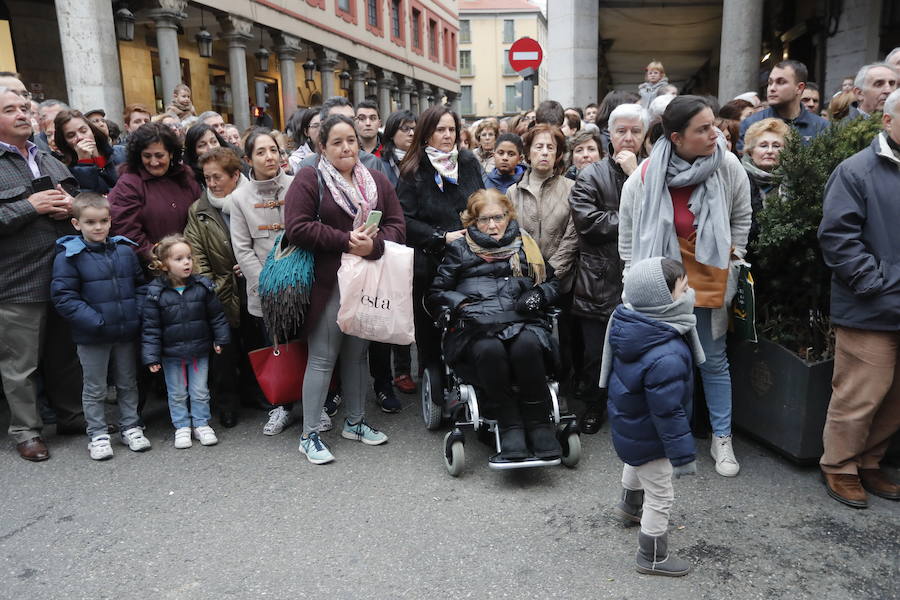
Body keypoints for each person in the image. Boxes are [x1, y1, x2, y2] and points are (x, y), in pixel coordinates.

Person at [619, 95, 752, 477]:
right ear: (676, 137)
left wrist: (733, 257)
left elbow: (741, 216)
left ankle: (721, 437)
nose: (716, 133)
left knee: (713, 359)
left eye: (715, 124)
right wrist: (632, 278)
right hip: (661, 285)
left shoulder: (727, 166)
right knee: (662, 364)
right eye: (704, 128)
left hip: (711, 278)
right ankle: (665, 439)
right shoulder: (645, 175)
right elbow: (627, 235)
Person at [284, 113, 406, 465]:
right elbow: (297, 227)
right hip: (327, 283)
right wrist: (346, 241)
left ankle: (355, 422)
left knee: (356, 355)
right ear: (322, 147)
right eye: (336, 142)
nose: (346, 147)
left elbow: (398, 224)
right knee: (323, 358)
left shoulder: (376, 180)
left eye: (350, 140)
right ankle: (309, 435)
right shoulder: (310, 178)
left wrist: (375, 245)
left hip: (366, 279)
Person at [428, 189, 562, 460]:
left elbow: (552, 282)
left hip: (522, 320)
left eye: (498, 218)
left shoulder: (526, 245)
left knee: (526, 346)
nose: (492, 226)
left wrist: (538, 295)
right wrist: (462, 305)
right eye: (484, 220)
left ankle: (538, 423)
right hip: (476, 325)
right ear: (472, 222)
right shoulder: (459, 249)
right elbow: (436, 293)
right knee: (490, 350)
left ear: (508, 216)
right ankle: (509, 423)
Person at [817, 88, 900, 509]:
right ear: (887, 121)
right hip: (872, 306)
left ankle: (870, 461)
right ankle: (840, 465)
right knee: (860, 393)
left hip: (884, 299)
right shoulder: (856, 171)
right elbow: (837, 239)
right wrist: (878, 286)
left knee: (894, 397)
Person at [0, 87, 86, 461]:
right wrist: (29, 207)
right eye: (9, 110)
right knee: (21, 365)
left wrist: (72, 206)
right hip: (18, 281)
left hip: (63, 275)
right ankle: (26, 431)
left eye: (24, 108)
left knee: (64, 355)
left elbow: (83, 205)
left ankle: (72, 416)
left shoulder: (48, 157)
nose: (22, 114)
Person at [601, 257, 700, 577]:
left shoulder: (631, 322)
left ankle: (629, 507)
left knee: (636, 458)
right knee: (660, 493)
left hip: (631, 420)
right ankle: (652, 556)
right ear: (661, 300)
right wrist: (683, 457)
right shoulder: (666, 352)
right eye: (682, 289)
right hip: (651, 428)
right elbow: (668, 411)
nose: (689, 293)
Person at [50, 193, 150, 460]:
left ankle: (131, 425)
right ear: (76, 224)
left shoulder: (125, 251)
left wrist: (135, 312)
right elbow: (64, 297)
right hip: (92, 335)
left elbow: (140, 286)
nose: (98, 227)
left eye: (104, 221)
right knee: (94, 387)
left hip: (125, 331)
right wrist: (96, 321)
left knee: (128, 382)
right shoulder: (69, 256)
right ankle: (97, 433)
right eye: (91, 222)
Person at [569, 103, 647, 435]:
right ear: (610, 135)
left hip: (641, 274)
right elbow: (590, 224)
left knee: (638, 350)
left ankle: (631, 408)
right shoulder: (591, 174)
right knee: (595, 353)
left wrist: (635, 177)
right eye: (621, 131)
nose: (628, 139)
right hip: (598, 276)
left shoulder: (653, 171)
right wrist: (635, 217)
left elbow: (665, 218)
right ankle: (593, 404)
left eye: (636, 131)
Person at [397, 105, 484, 372]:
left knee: (469, 319)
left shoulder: (468, 162)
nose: (447, 135)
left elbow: (481, 202)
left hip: (468, 257)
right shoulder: (412, 170)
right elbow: (404, 220)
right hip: (429, 261)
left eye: (452, 129)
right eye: (440, 130)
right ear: (426, 135)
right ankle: (431, 376)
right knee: (430, 327)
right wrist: (441, 237)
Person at [142, 235, 230, 449]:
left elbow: (216, 316)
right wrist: (151, 356)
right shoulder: (156, 293)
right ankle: (181, 426)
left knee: (200, 390)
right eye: (179, 259)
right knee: (177, 392)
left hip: (199, 350)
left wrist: (220, 338)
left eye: (189, 257)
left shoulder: (202, 286)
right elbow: (151, 328)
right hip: (171, 355)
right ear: (163, 265)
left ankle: (201, 423)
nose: (186, 262)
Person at [184, 147, 250, 428]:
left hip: (253, 284)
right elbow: (196, 253)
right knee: (224, 351)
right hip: (220, 289)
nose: (210, 184)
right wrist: (211, 285)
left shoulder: (253, 199)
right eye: (207, 178)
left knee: (255, 344)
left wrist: (249, 265)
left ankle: (259, 394)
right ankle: (227, 404)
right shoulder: (199, 211)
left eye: (217, 177)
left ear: (235, 175)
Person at [108, 122, 201, 265]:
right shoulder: (129, 184)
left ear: (171, 154)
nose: (154, 162)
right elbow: (126, 231)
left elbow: (201, 221)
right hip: (152, 269)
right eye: (147, 156)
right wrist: (159, 257)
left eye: (159, 155)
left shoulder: (186, 178)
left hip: (190, 264)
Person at [372, 109, 418, 397]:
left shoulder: (421, 161)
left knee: (409, 306)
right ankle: (387, 376)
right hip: (389, 240)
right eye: (405, 129)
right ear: (391, 133)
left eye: (414, 129)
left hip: (416, 239)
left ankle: (405, 368)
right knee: (387, 307)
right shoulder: (379, 164)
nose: (411, 134)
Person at [506, 124, 578, 291]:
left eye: (550, 147)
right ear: (528, 153)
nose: (544, 152)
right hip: (523, 280)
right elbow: (509, 236)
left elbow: (572, 237)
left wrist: (552, 270)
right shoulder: (512, 192)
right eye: (539, 147)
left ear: (558, 154)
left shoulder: (571, 189)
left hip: (561, 281)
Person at [738, 60, 828, 152]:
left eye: (781, 82)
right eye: (770, 82)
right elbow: (744, 163)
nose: (772, 88)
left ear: (799, 88)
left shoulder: (822, 127)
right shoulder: (750, 124)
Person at [298, 97, 389, 177]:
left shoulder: (372, 162)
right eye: (338, 120)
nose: (346, 125)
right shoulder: (308, 167)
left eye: (351, 119)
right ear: (323, 124)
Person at [53, 109, 126, 194]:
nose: (80, 137)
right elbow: (89, 197)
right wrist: (84, 163)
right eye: (71, 135)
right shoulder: (68, 172)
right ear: (66, 143)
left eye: (83, 130)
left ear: (92, 131)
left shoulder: (121, 153)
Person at [741, 118, 788, 243]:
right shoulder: (739, 177)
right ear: (750, 151)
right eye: (763, 145)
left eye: (776, 146)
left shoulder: (794, 179)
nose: (770, 151)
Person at [183, 122, 227, 186]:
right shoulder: (189, 179)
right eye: (202, 145)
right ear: (193, 151)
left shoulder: (233, 166)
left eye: (214, 142)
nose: (211, 148)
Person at [287, 107, 320, 172]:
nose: (321, 129)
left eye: (325, 124)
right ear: (306, 132)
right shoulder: (296, 161)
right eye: (315, 126)